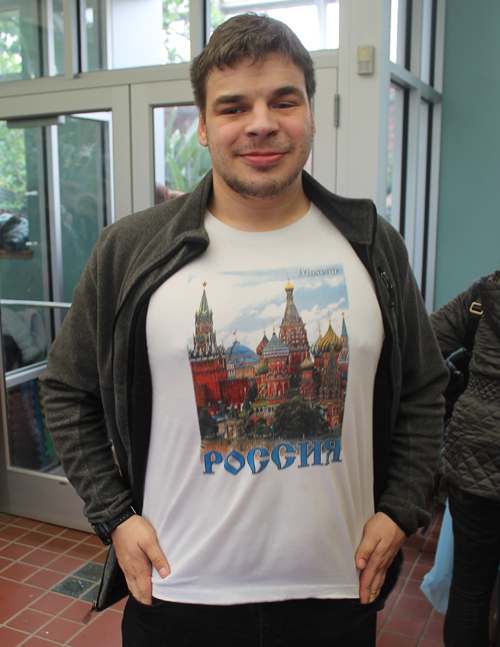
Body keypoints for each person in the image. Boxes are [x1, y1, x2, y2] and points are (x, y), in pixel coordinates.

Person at [40, 13, 448, 647]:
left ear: (311, 115)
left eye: (284, 100)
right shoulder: (132, 249)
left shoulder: (371, 245)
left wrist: (401, 508)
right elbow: (66, 391)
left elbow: (424, 390)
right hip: (180, 590)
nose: (261, 122)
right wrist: (114, 515)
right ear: (203, 125)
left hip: (338, 591)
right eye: (233, 106)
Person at [430, 271, 500, 647]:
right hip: (477, 464)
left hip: (477, 463)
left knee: (470, 590)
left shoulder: (485, 294)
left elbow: (422, 344)